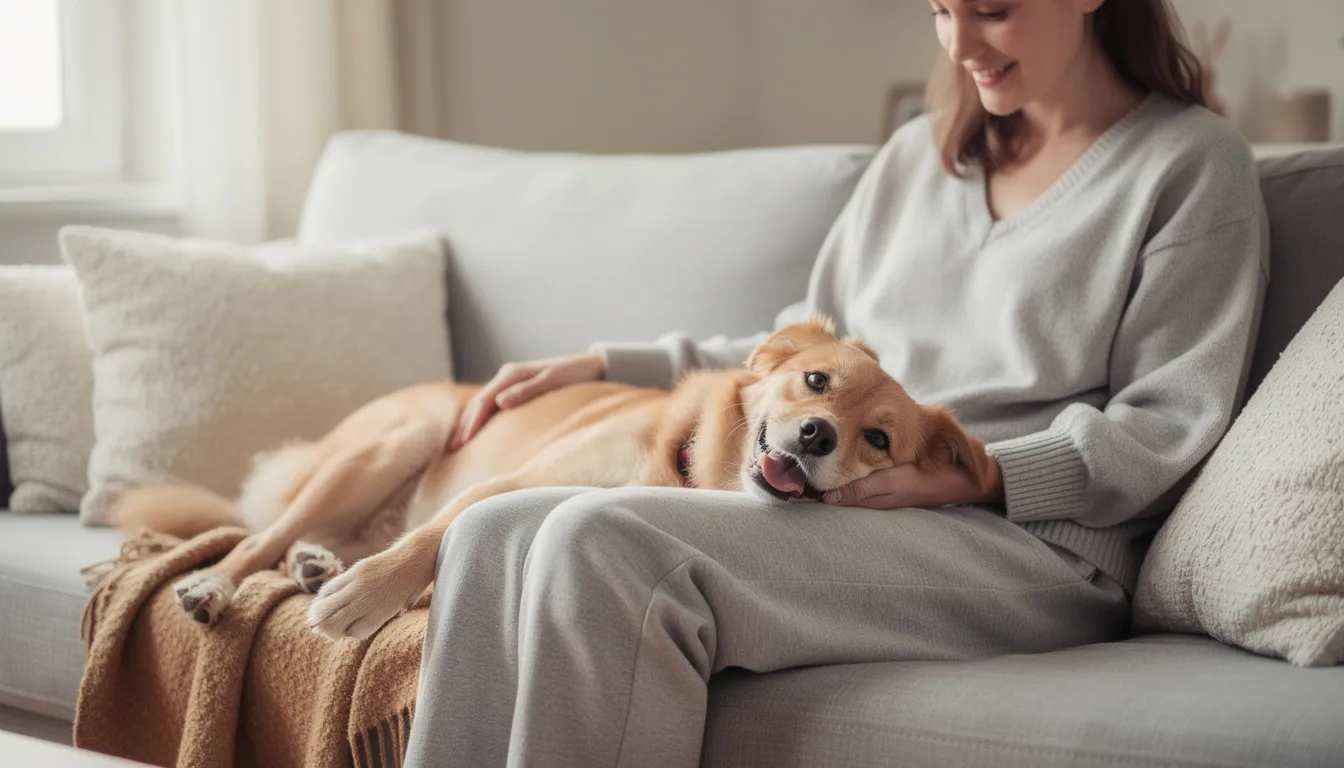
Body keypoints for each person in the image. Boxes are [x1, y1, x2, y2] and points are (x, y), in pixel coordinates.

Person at [405, 0, 1269, 764]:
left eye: (993, 11)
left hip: (1036, 547)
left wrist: (974, 474)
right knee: (494, 529)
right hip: (855, 501)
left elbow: (1169, 425)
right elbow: (802, 345)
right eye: (941, 9)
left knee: (600, 541)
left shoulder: (1189, 165)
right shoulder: (914, 163)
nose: (959, 41)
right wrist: (606, 362)